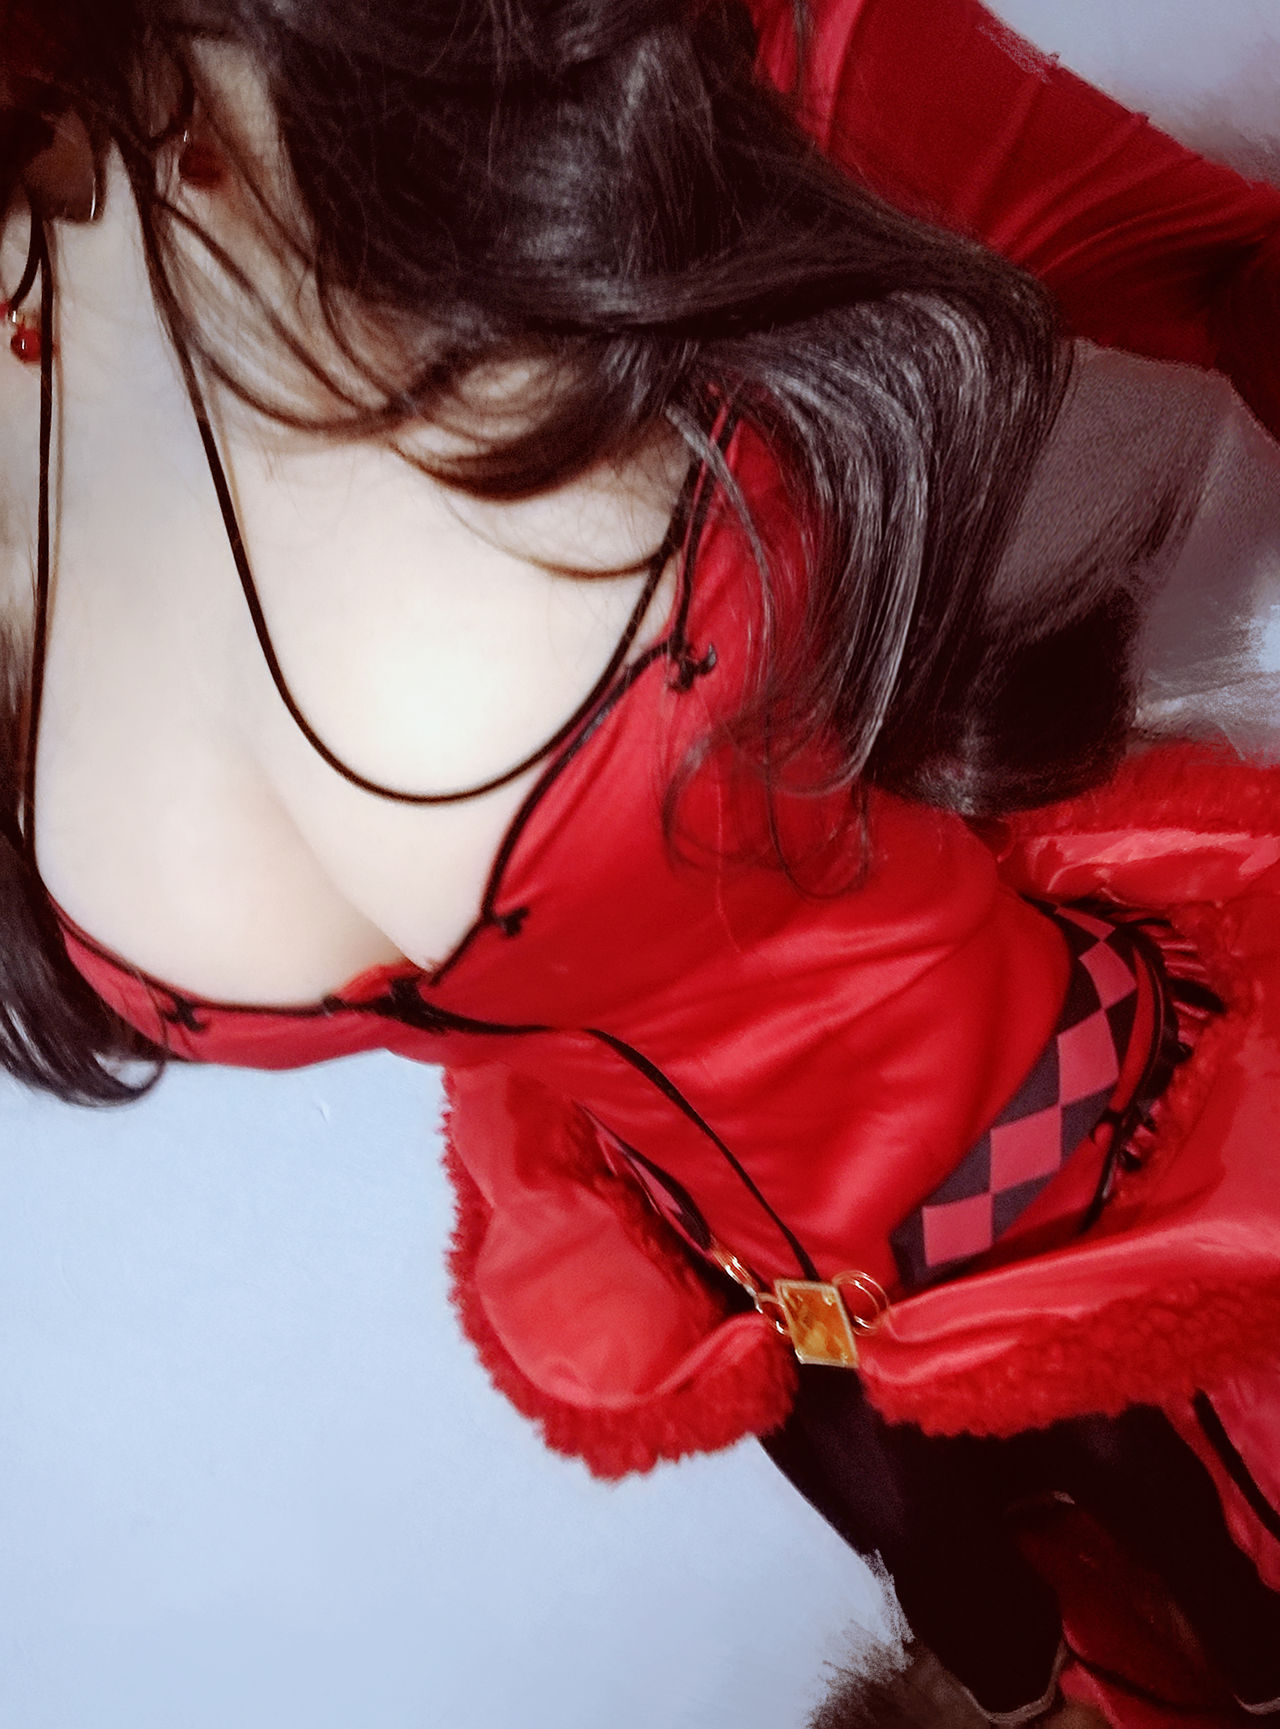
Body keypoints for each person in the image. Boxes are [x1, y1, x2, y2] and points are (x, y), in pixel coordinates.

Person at [2, 0, 1280, 1721]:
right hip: (791, 1345)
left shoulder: (642, 58)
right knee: (1031, 1656)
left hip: (1148, 1220)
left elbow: (1229, 274)